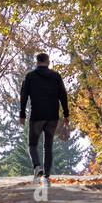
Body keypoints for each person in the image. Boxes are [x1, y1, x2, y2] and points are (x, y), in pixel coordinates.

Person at [18, 51, 69, 181]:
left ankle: (37, 167)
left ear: (37, 62)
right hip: (52, 116)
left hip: (37, 115)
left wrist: (22, 114)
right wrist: (66, 114)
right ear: (48, 62)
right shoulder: (56, 76)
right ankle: (46, 173)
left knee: (33, 144)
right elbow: (63, 95)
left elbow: (23, 96)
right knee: (48, 145)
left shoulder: (30, 76)